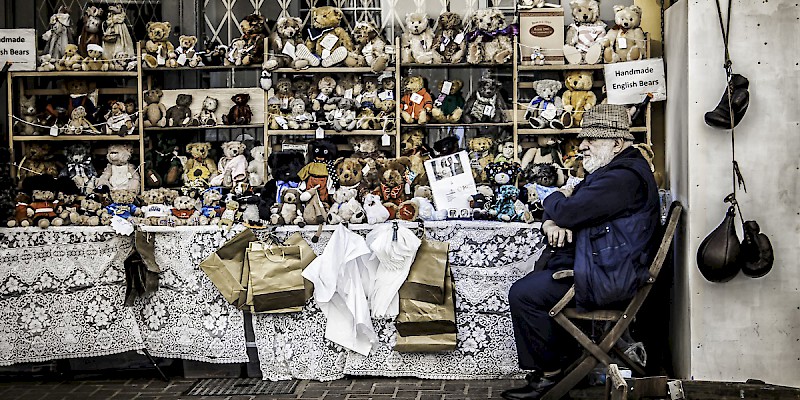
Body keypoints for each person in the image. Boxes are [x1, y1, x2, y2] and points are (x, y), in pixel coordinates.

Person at [502, 104, 660, 400]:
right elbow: (570, 206)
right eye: (584, 138)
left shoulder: (621, 178)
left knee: (525, 293)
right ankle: (555, 366)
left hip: (612, 277)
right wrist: (555, 215)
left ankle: (551, 374)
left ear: (616, 143)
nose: (582, 145)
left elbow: (569, 208)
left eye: (593, 139)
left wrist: (555, 201)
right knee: (544, 272)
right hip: (608, 267)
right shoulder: (616, 169)